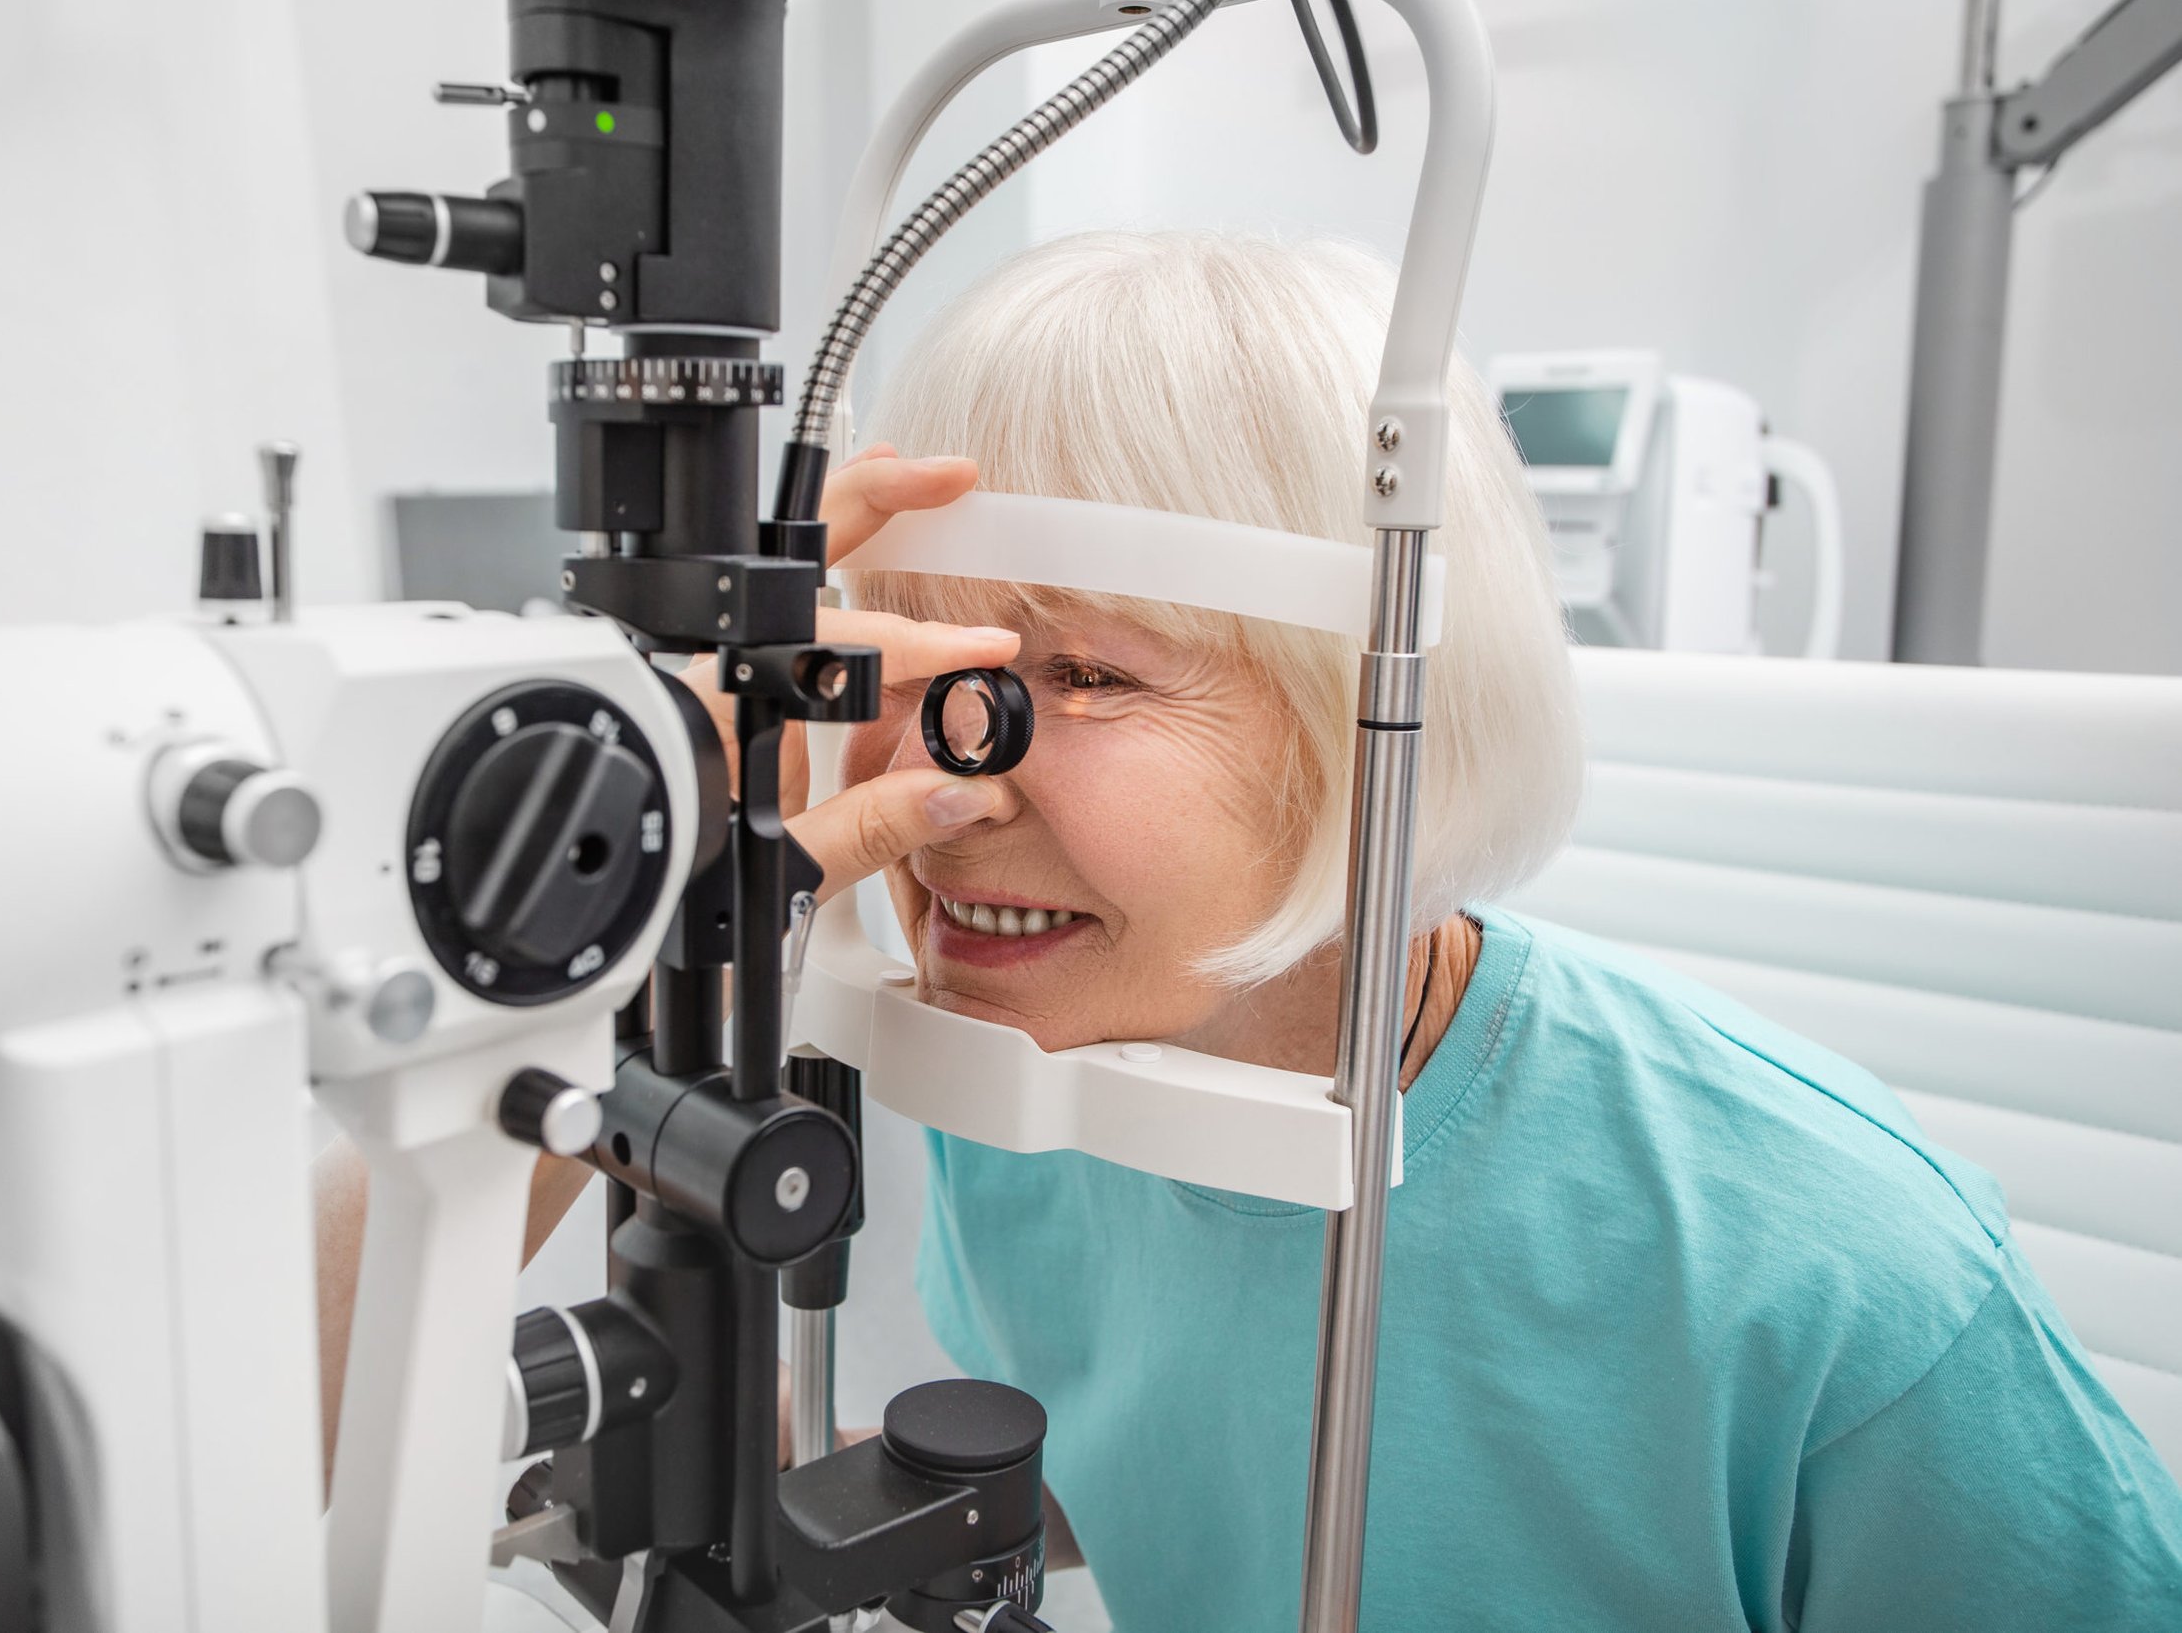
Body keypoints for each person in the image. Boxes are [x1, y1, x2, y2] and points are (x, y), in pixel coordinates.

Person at [317, 231, 2182, 1630]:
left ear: (1370, 711)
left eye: (1084, 671)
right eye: (907, 650)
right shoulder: (1016, 1073)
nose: (949, 771)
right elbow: (269, 1408)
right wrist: (627, 931)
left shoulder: (1838, 1284)